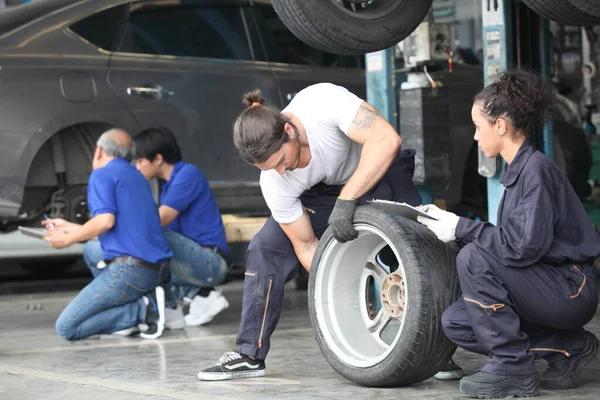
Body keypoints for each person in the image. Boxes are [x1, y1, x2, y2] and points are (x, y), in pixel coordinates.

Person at [197, 82, 423, 381]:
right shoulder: (275, 180)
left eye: (279, 161)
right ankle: (250, 354)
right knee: (266, 248)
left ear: (289, 131)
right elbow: (306, 246)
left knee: (415, 244)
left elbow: (385, 139)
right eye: (268, 168)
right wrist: (340, 289)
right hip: (323, 193)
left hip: (375, 167)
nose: (279, 172)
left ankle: (432, 345)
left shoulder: (322, 104)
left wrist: (348, 199)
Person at [416, 69, 600, 398]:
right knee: (458, 321)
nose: (475, 136)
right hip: (548, 283)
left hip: (570, 288)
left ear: (499, 126)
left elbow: (520, 248)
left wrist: (461, 227)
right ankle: (569, 348)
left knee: (473, 256)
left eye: (477, 126)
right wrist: (453, 224)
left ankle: (513, 368)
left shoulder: (536, 171)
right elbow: (514, 246)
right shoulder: (518, 172)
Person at [83, 126, 231, 331]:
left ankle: (201, 295)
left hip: (209, 262)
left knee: (154, 240)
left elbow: (158, 221)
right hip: (189, 263)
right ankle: (167, 306)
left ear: (158, 159)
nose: (137, 167)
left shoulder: (187, 174)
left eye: (141, 161)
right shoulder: (164, 185)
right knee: (138, 259)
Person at [43, 128, 173, 340]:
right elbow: (116, 228)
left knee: (67, 328)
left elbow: (105, 221)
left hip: (129, 271)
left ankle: (144, 309)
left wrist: (65, 239)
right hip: (156, 271)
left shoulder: (102, 174)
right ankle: (140, 304)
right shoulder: (137, 177)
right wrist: (69, 227)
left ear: (99, 151)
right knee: (92, 250)